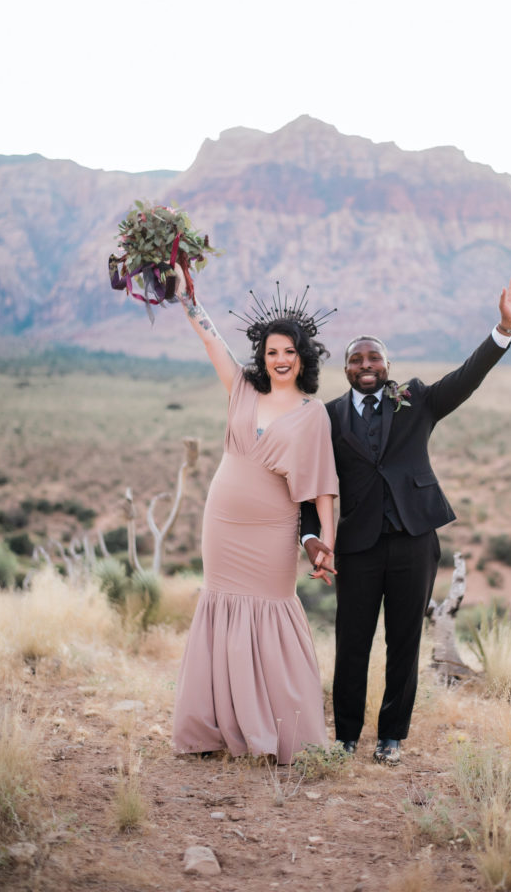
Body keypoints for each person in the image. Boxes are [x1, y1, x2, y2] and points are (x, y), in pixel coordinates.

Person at [301, 277, 511, 765]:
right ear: (343, 368)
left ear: (387, 365)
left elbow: (467, 376)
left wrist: (502, 330)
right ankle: (346, 736)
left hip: (414, 539)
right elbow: (308, 482)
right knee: (351, 642)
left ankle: (392, 737)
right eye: (356, 359)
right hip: (358, 546)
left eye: (374, 358)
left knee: (404, 641)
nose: (366, 365)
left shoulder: (417, 399)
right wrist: (309, 535)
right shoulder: (326, 417)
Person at [171, 275, 338, 764]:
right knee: (220, 609)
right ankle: (213, 730)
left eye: (288, 352)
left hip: (272, 530)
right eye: (271, 353)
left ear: (303, 357)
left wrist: (326, 540)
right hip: (222, 523)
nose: (280, 360)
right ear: (261, 359)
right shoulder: (241, 390)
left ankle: (279, 734)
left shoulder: (313, 414)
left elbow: (323, 483)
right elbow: (211, 340)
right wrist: (189, 300)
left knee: (271, 610)